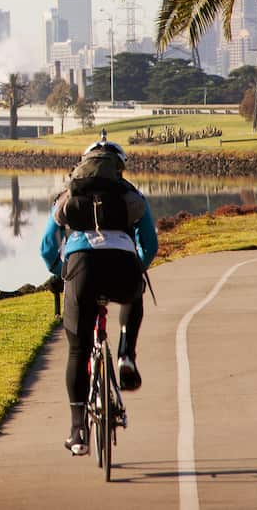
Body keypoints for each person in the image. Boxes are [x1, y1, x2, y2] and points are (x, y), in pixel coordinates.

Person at [40, 140, 158, 456]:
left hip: (81, 268)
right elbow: (150, 242)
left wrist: (60, 271)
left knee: (78, 350)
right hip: (122, 266)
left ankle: (78, 431)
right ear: (119, 167)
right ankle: (125, 355)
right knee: (133, 296)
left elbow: (47, 246)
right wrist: (138, 266)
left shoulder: (68, 195)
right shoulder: (132, 195)